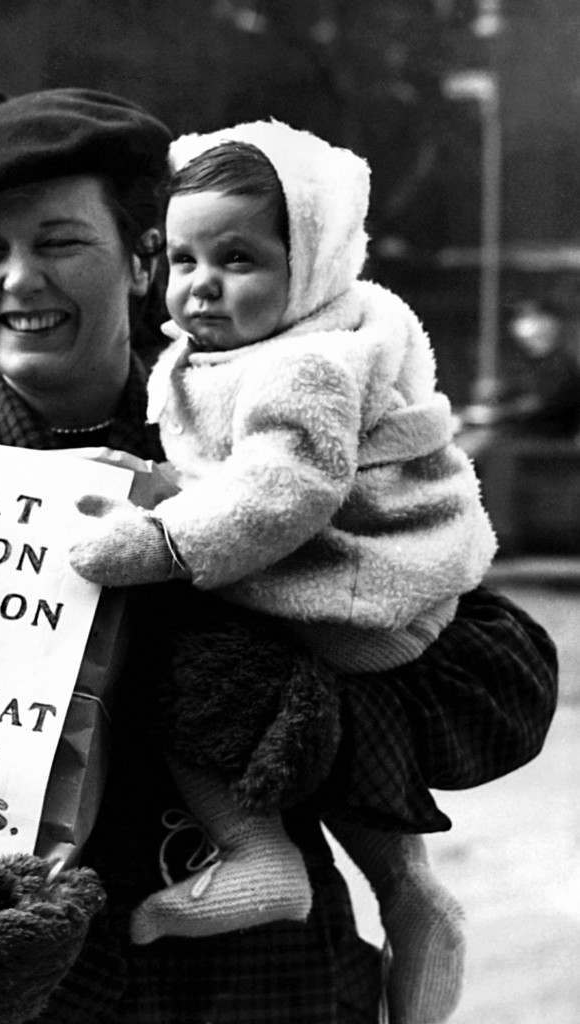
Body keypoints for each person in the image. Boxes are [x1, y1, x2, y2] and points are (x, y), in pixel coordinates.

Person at [0, 89, 557, 1024]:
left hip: (278, 995)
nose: (17, 281)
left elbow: (504, 692)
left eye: (57, 243)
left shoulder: (256, 451)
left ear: (142, 264)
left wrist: (311, 710)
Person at [68, 118, 497, 1023]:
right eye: (183, 260)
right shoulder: (266, 347)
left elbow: (282, 492)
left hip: (358, 591)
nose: (201, 286)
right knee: (381, 824)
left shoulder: (306, 366)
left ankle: (255, 852)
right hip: (381, 598)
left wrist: (160, 543)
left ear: (308, 266)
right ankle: (419, 908)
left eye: (237, 259)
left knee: (188, 657)